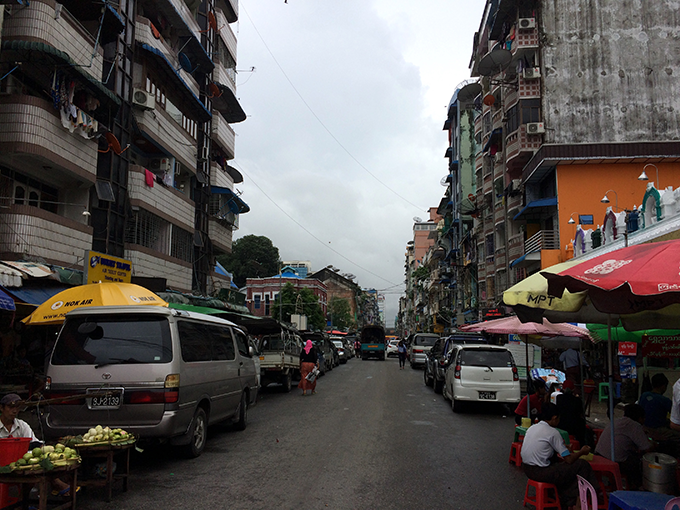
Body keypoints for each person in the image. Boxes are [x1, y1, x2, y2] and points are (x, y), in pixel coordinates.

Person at [521, 403, 599, 510]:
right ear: (554, 418)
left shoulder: (533, 428)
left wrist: (563, 448)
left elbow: (543, 448)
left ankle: (567, 498)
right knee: (582, 465)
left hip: (527, 469)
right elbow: (569, 459)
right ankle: (579, 503)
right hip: (541, 472)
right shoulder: (553, 432)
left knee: (562, 468)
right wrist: (581, 452)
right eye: (558, 419)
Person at [0, 394, 72, 495]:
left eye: (17, 407)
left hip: (20, 464)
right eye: (10, 407)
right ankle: (57, 484)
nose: (14, 411)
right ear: (1, 408)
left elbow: (35, 443)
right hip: (3, 464)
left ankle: (24, 501)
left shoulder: (22, 425)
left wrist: (49, 452)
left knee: (37, 466)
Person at [594, 403, 653, 490]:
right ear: (640, 418)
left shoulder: (617, 421)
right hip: (613, 461)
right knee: (638, 462)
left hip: (599, 455)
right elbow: (647, 448)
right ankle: (638, 487)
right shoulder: (634, 425)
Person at [555, 380, 587, 446]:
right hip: (575, 426)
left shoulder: (559, 398)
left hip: (561, 425)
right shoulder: (577, 400)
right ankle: (582, 445)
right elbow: (580, 413)